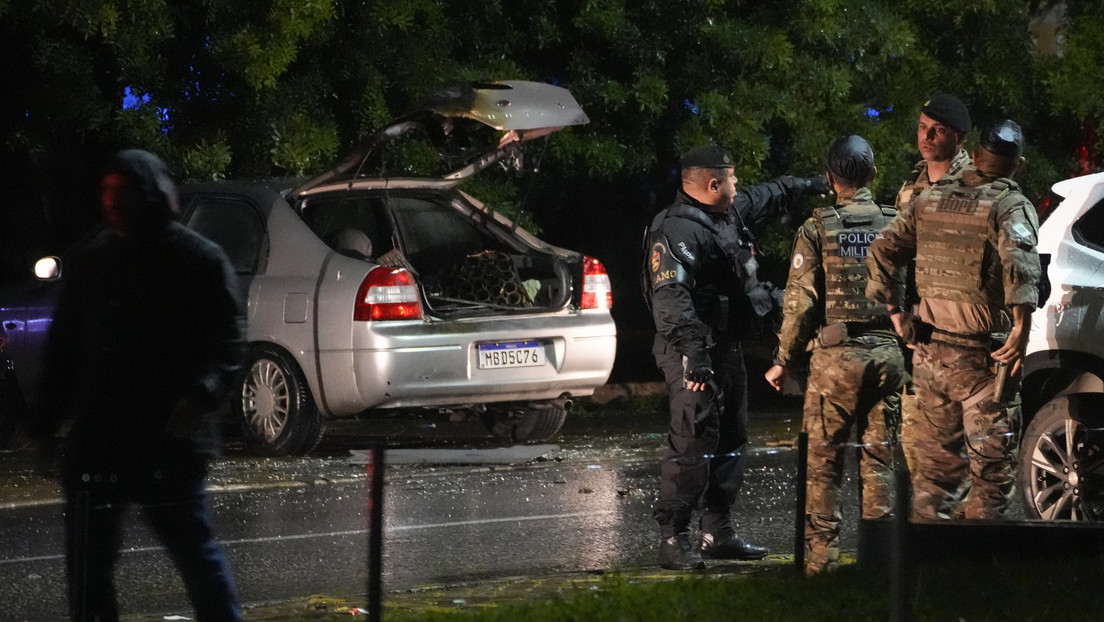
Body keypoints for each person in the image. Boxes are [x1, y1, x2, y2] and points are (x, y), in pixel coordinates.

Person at [31, 149, 246, 620]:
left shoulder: (198, 261)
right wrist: (44, 429)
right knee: (90, 570)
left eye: (122, 196)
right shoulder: (93, 266)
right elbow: (63, 353)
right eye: (108, 195)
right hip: (103, 439)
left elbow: (228, 342)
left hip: (165, 441)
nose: (113, 206)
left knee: (195, 556)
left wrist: (200, 396)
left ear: (149, 198)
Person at [643, 145, 829, 570]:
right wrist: (693, 354)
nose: (737, 183)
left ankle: (718, 531)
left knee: (731, 436)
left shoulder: (725, 214)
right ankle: (673, 538)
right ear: (713, 184)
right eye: (731, 177)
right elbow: (671, 300)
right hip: (690, 351)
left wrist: (808, 185)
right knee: (693, 440)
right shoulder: (677, 231)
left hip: (725, 347)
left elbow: (766, 195)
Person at [866, 120, 1041, 520]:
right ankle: (974, 573)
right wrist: (1022, 324)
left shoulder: (931, 198)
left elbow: (883, 248)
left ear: (976, 155)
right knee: (990, 478)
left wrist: (895, 313)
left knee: (934, 480)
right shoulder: (1009, 204)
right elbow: (1020, 260)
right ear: (1019, 165)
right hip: (983, 361)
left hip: (930, 357)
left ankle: (930, 573)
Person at [764, 136, 907, 574]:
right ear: (873, 175)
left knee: (823, 464)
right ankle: (879, 563)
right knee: (880, 460)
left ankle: (820, 566)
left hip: (836, 362)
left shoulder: (817, 228)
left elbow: (800, 303)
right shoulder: (896, 222)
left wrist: (782, 358)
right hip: (889, 355)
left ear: (830, 179)